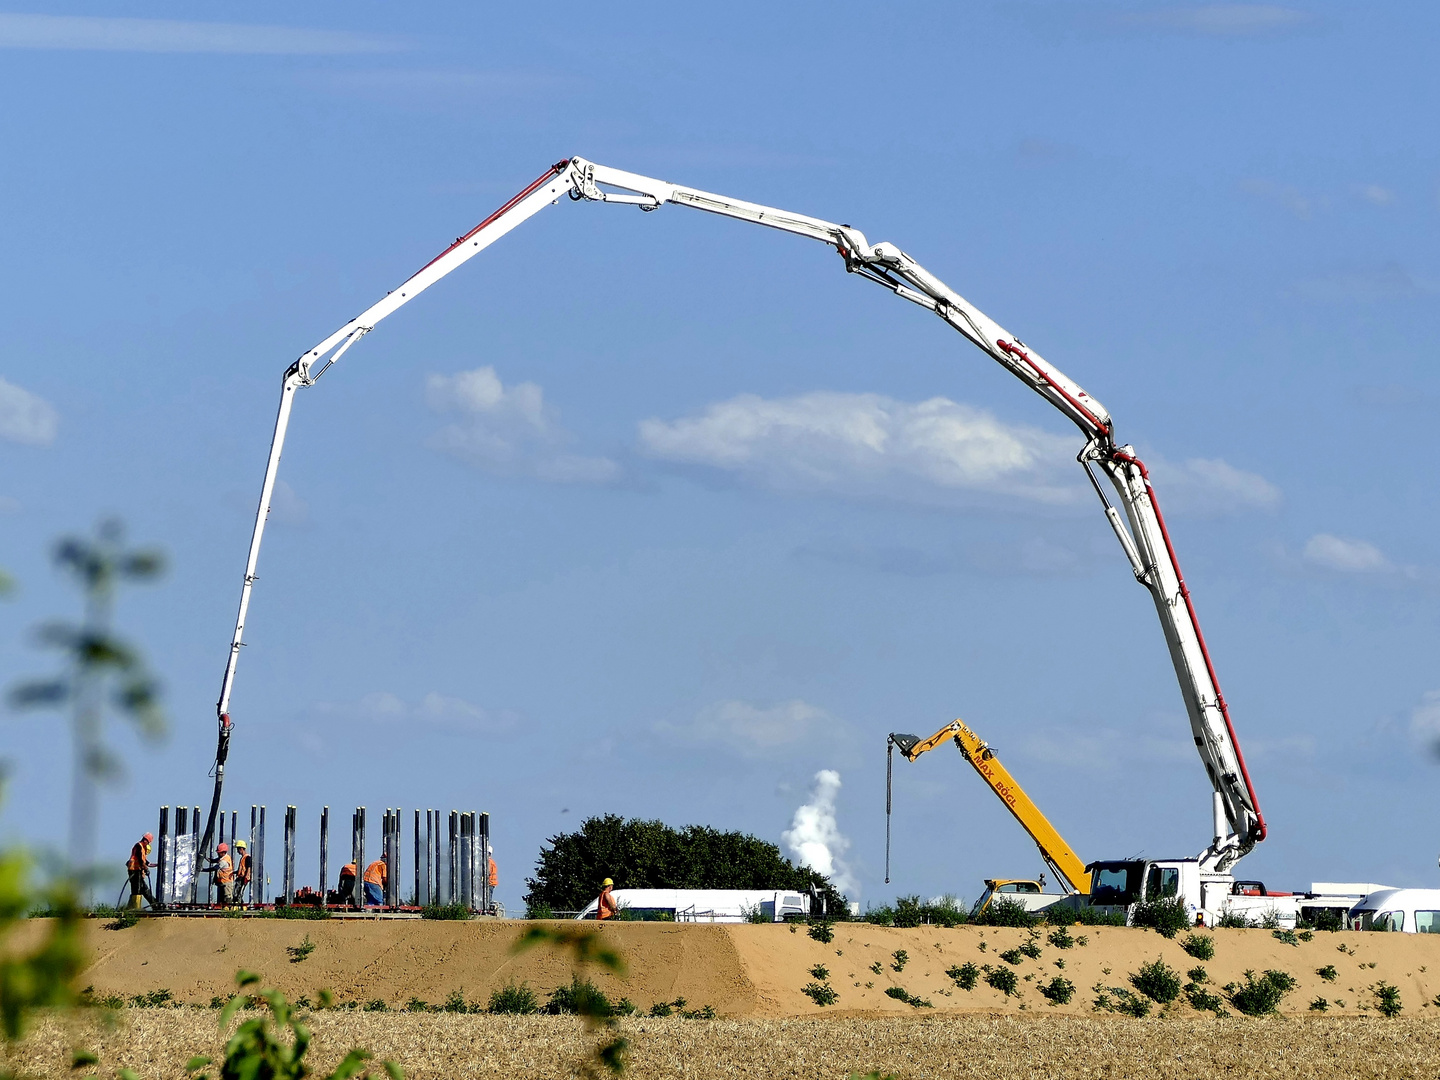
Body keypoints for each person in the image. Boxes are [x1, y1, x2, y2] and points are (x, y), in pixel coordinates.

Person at [125, 832, 158, 910]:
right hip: (134, 871)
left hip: (137, 871)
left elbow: (145, 862)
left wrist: (156, 865)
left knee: (143, 889)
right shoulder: (139, 846)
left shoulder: (142, 848)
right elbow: (140, 860)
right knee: (137, 889)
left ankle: (155, 905)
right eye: (148, 842)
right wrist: (145, 868)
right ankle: (136, 907)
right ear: (146, 840)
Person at [234, 840, 251, 907]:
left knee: (239, 892)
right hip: (240, 877)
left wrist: (247, 876)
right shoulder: (243, 858)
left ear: (241, 849)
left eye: (238, 849)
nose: (237, 851)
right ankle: (239, 903)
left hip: (243, 877)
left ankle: (239, 904)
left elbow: (249, 867)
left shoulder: (247, 857)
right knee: (236, 891)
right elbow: (242, 868)